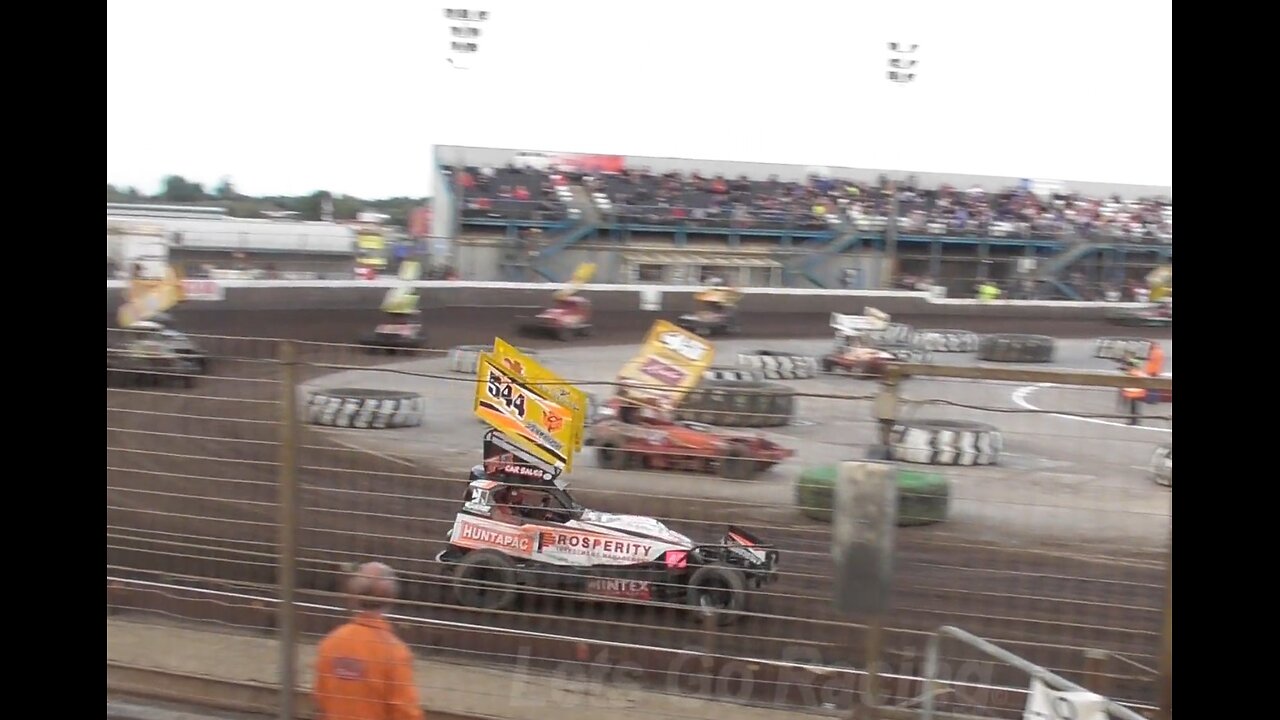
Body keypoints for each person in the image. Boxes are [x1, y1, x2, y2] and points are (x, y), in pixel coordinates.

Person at [313, 562, 424, 720]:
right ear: (391, 598)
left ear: (354, 596)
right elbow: (406, 713)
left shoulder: (331, 643)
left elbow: (321, 700)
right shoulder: (395, 653)